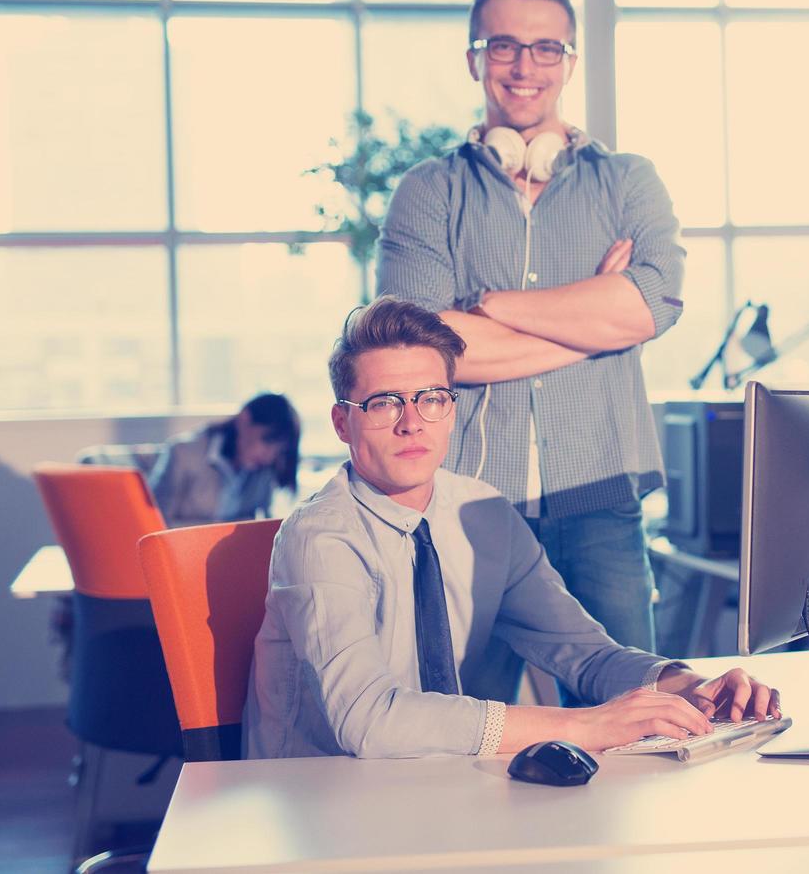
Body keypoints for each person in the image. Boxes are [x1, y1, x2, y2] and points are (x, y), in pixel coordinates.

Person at [243, 297, 777, 759]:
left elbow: (584, 653)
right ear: (343, 422)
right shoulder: (320, 537)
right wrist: (582, 726)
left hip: (436, 787)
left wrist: (689, 685)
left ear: (451, 409)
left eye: (430, 398)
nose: (412, 422)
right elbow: (369, 720)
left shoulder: (485, 516)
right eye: (384, 403)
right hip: (319, 797)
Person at [376, 0, 684, 674]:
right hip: (471, 508)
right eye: (505, 46)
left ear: (570, 62)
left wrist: (493, 307)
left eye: (546, 49)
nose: (525, 67)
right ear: (475, 58)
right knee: (464, 729)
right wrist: (596, 317)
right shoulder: (429, 191)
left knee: (633, 714)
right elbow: (417, 349)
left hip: (602, 497)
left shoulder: (628, 182)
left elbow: (651, 306)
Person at [148, 392, 301, 528]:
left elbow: (266, 525)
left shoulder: (265, 470)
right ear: (244, 419)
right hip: (181, 555)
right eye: (267, 441)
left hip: (235, 557)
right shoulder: (183, 454)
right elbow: (154, 525)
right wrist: (225, 530)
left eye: (278, 450)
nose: (269, 456)